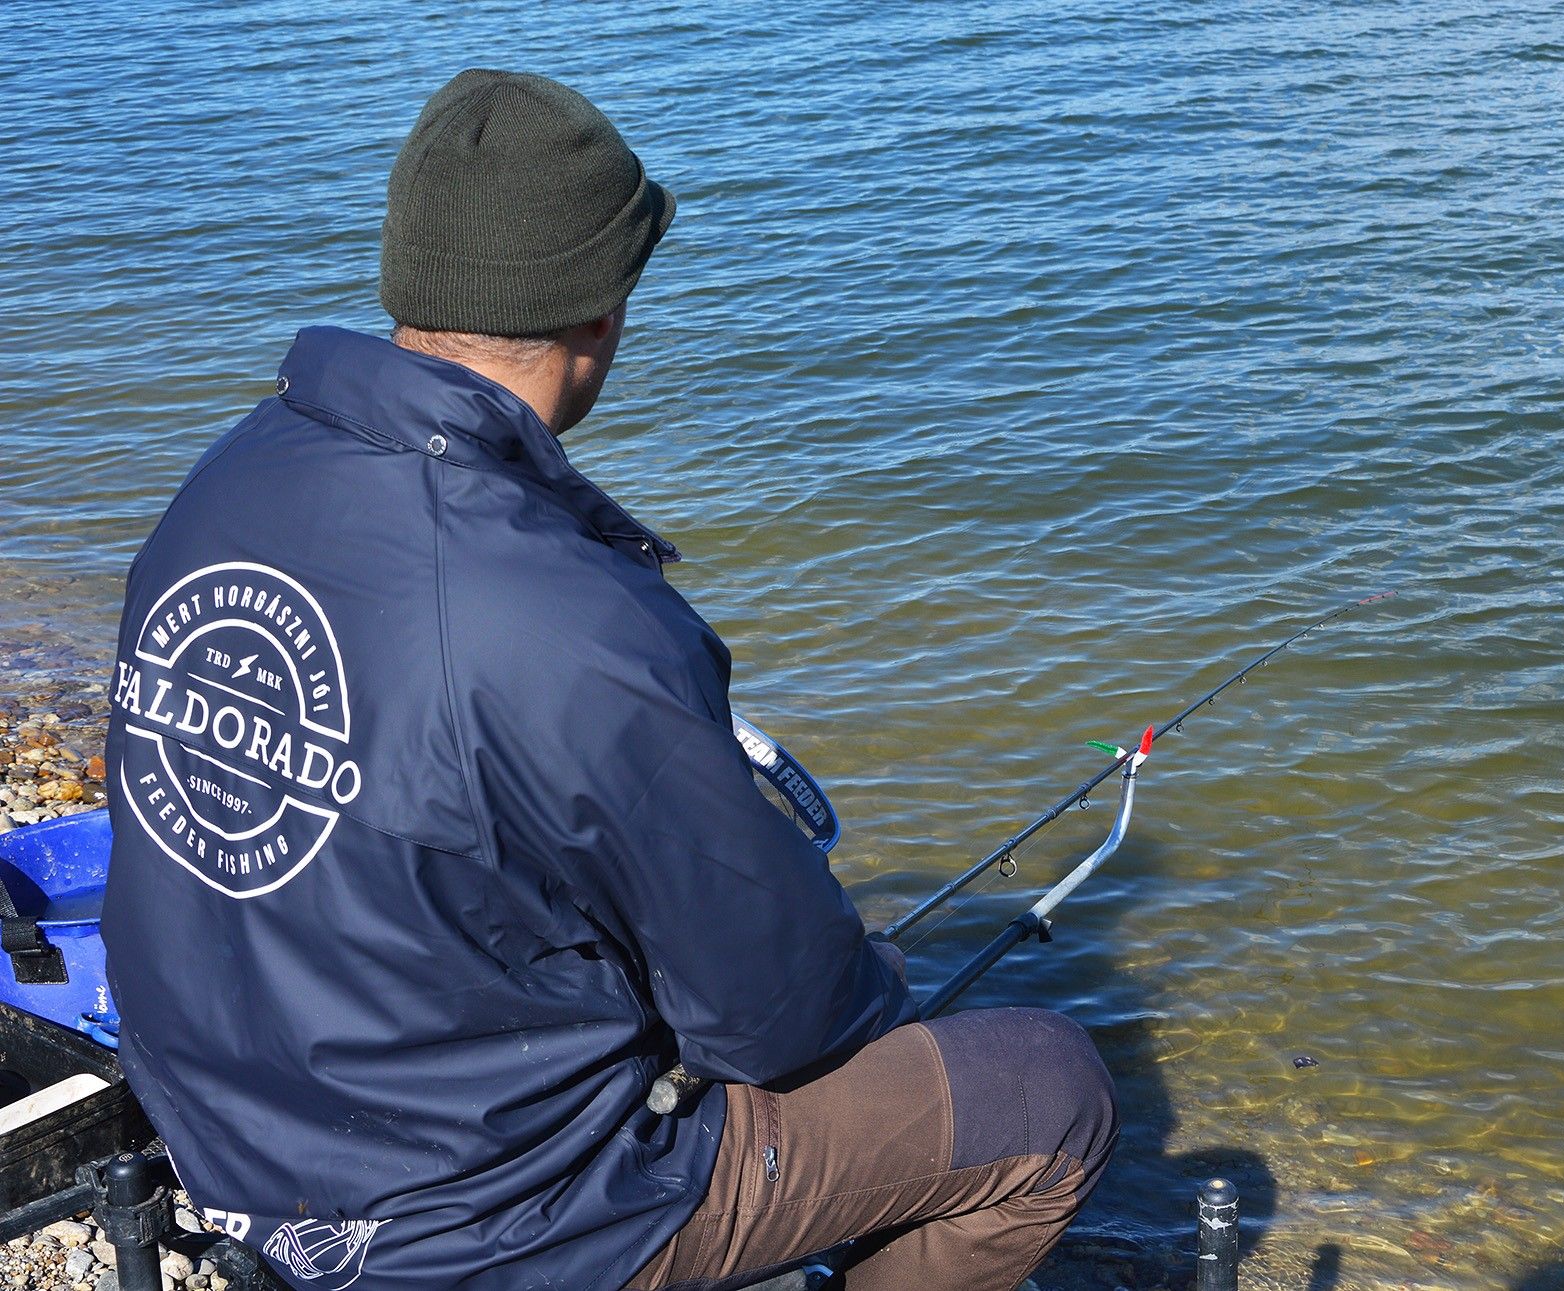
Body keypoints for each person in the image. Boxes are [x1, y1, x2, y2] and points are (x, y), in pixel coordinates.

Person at [100, 69, 1116, 1291]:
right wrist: (870, 975)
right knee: (1046, 1093)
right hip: (479, 1220)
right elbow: (780, 1019)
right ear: (601, 313)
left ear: (410, 275)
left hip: (231, 1136)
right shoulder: (575, 622)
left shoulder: (228, 479)